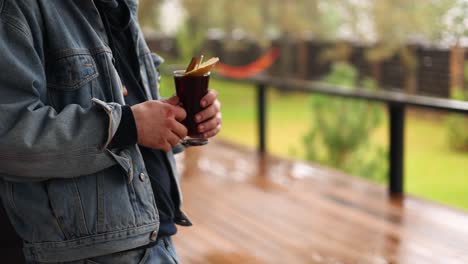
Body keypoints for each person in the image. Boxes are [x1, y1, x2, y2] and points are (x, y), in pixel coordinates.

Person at [0, 0, 222, 263]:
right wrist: (127, 126)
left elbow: (133, 109)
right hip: (87, 255)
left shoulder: (122, 8)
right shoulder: (19, 7)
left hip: (158, 241)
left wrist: (176, 121)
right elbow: (9, 138)